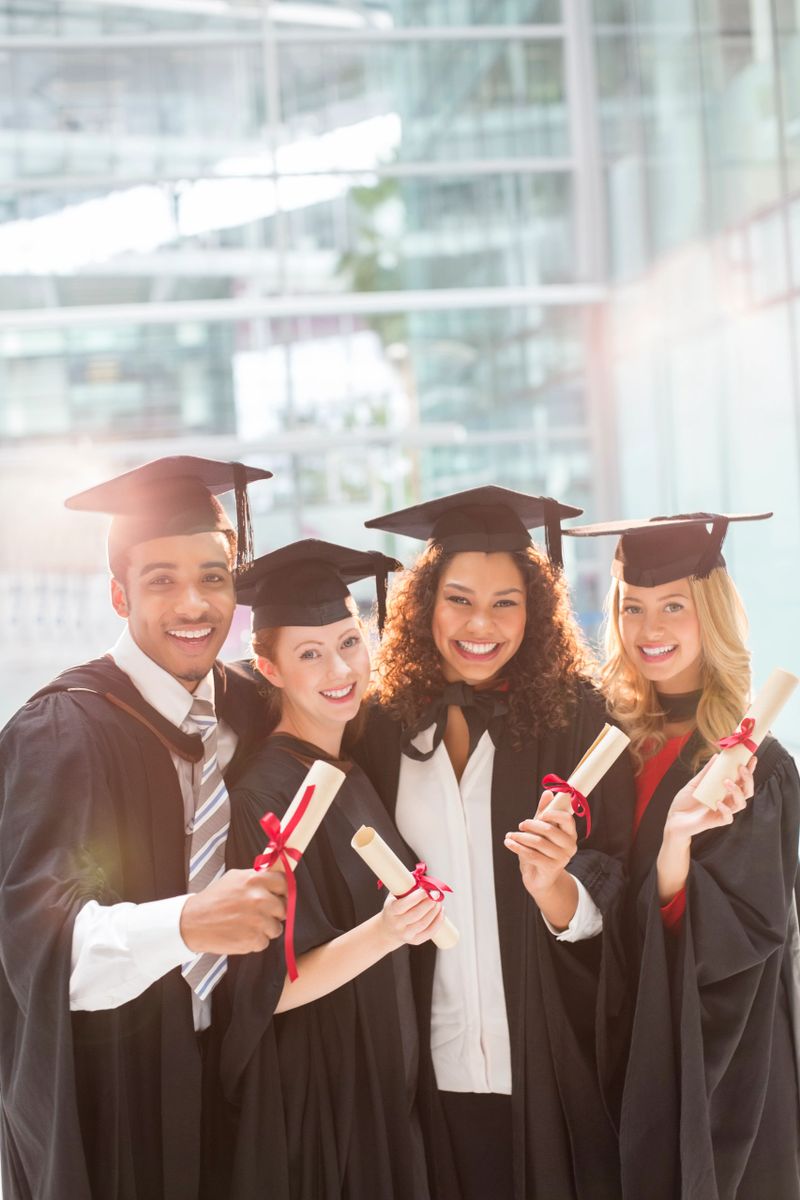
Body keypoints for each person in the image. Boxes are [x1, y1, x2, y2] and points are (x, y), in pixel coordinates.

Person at [0, 456, 289, 1200]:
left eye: (214, 576)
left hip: (243, 1078)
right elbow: (38, 954)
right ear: (119, 595)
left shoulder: (255, 711)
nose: (193, 603)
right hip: (115, 1093)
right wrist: (188, 924)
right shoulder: (63, 731)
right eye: (161, 580)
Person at [353, 486, 635, 1200]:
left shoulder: (578, 717)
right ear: (423, 605)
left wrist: (559, 891)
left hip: (545, 1056)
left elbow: (619, 875)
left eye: (506, 601)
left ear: (535, 612)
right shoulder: (381, 727)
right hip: (422, 1062)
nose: (481, 623)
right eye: (459, 599)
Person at [567, 511, 800, 1199]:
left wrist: (675, 850)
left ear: (713, 613)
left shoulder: (752, 768)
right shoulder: (610, 747)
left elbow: (742, 940)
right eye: (632, 607)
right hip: (617, 1045)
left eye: (675, 606)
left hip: (716, 1070)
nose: (650, 629)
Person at [217, 539, 443, 1200]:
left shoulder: (349, 770)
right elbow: (268, 989)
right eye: (309, 654)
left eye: (348, 641)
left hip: (377, 1087)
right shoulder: (266, 796)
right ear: (270, 668)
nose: (339, 667)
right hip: (321, 1102)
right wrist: (391, 929)